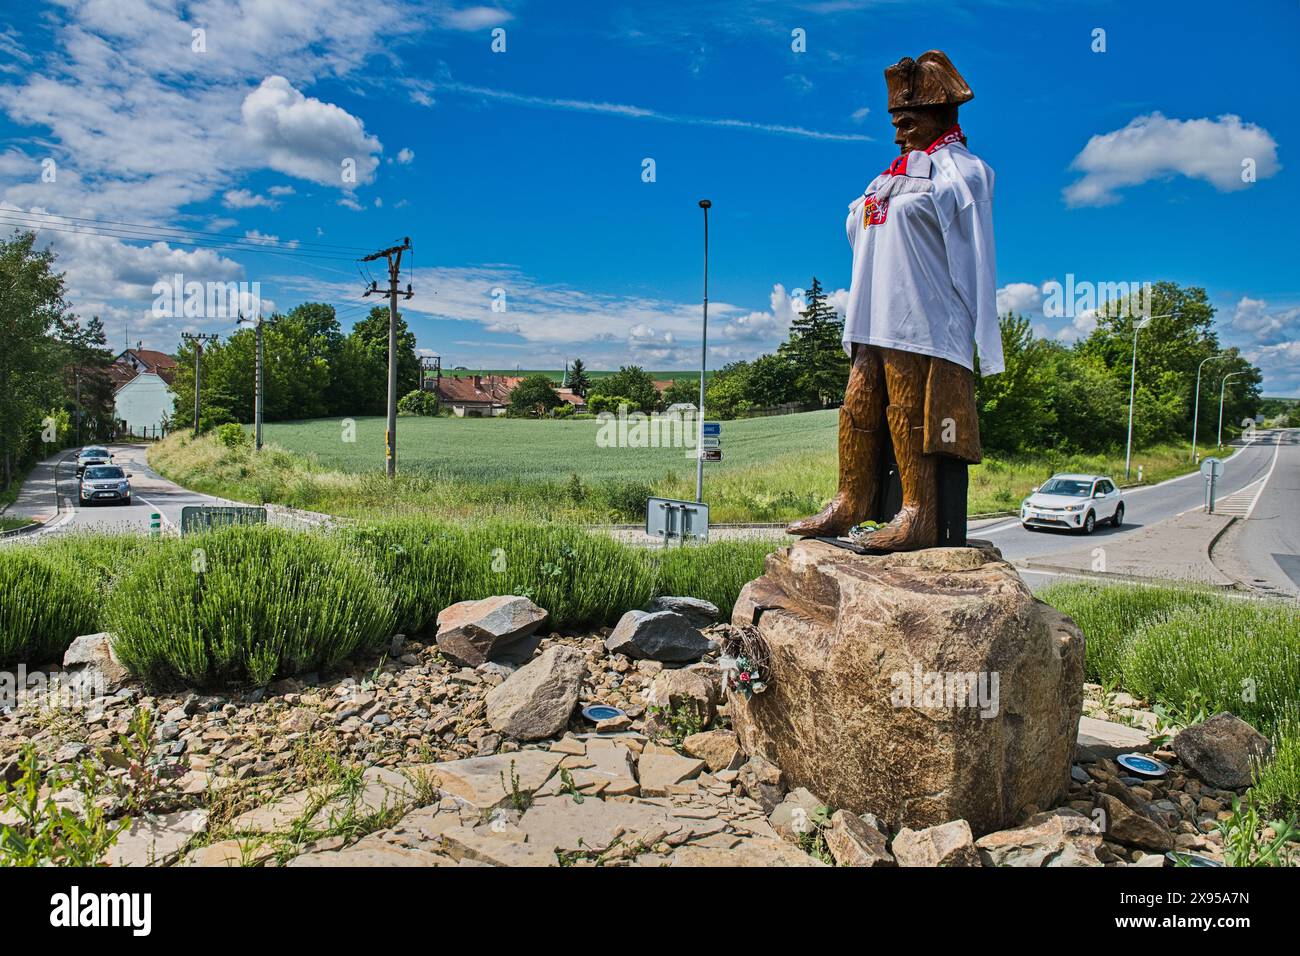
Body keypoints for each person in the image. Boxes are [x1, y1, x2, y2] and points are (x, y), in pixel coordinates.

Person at [787, 50, 1004, 550]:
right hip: (872, 319)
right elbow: (856, 231)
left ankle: (918, 512)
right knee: (858, 405)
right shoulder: (886, 177)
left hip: (924, 324)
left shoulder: (964, 174)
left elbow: (979, 259)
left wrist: (983, 347)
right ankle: (851, 501)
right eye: (894, 120)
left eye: (907, 120)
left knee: (909, 412)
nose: (898, 131)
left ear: (939, 115)